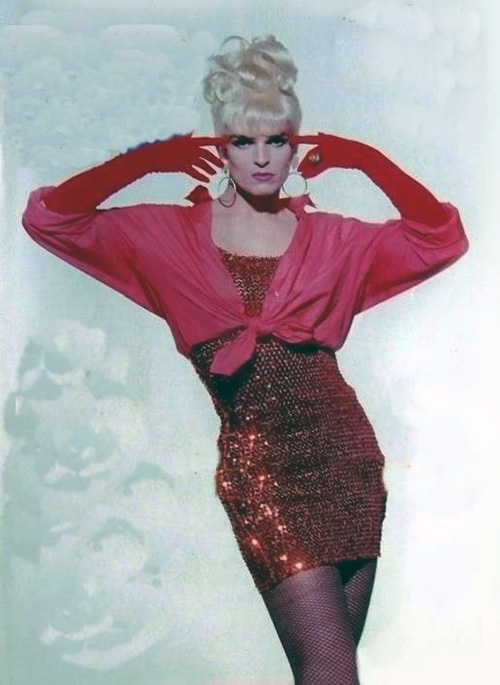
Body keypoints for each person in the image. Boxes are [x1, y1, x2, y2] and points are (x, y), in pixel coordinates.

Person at [21, 34, 468, 685]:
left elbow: (439, 236)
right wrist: (144, 160)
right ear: (220, 145)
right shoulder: (168, 236)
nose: (261, 158)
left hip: (347, 459)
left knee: (334, 671)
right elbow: (52, 218)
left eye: (277, 141)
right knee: (329, 668)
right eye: (243, 140)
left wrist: (366, 159)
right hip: (265, 473)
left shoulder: (331, 238)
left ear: (296, 144)